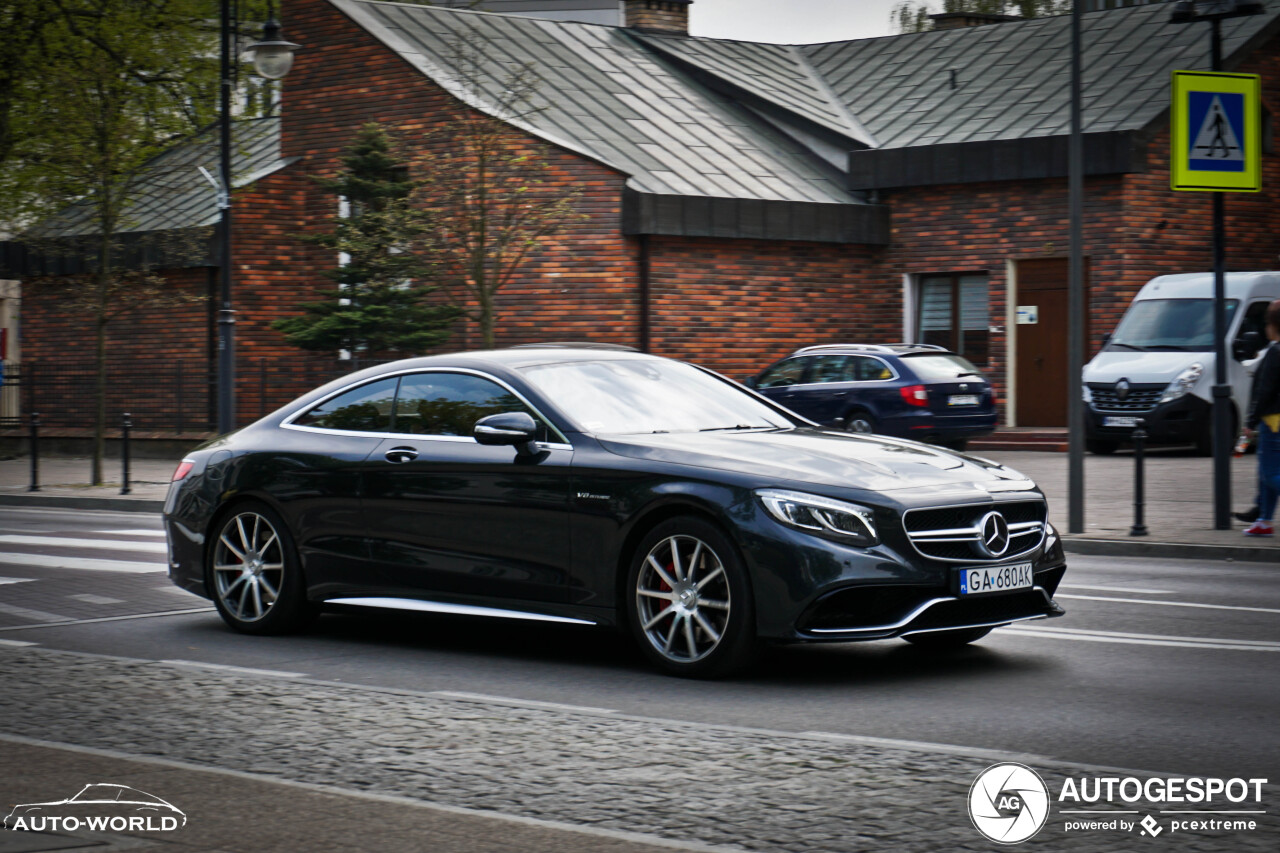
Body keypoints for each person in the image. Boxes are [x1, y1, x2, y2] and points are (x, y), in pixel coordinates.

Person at [1242, 299, 1280, 536]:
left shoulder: (1276, 351)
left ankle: (1264, 520)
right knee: (1266, 474)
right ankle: (1264, 521)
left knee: (1269, 472)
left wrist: (1250, 421)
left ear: (1273, 325)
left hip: (1273, 421)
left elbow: (1265, 389)